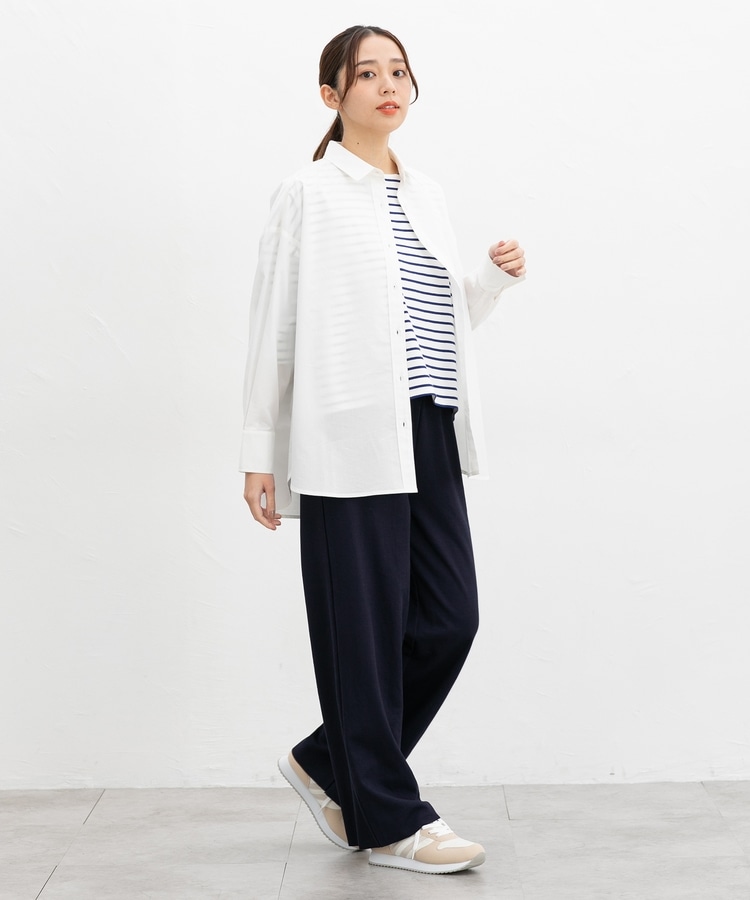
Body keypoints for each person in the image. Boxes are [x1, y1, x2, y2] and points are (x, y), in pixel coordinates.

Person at [240, 24, 526, 875]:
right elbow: (274, 327)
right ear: (333, 95)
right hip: (349, 435)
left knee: (450, 617)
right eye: (366, 74)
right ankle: (391, 818)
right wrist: (260, 449)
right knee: (361, 635)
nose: (387, 85)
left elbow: (433, 319)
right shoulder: (308, 193)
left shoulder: (426, 194)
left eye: (398, 70)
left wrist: (491, 281)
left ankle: (330, 763)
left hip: (428, 428)